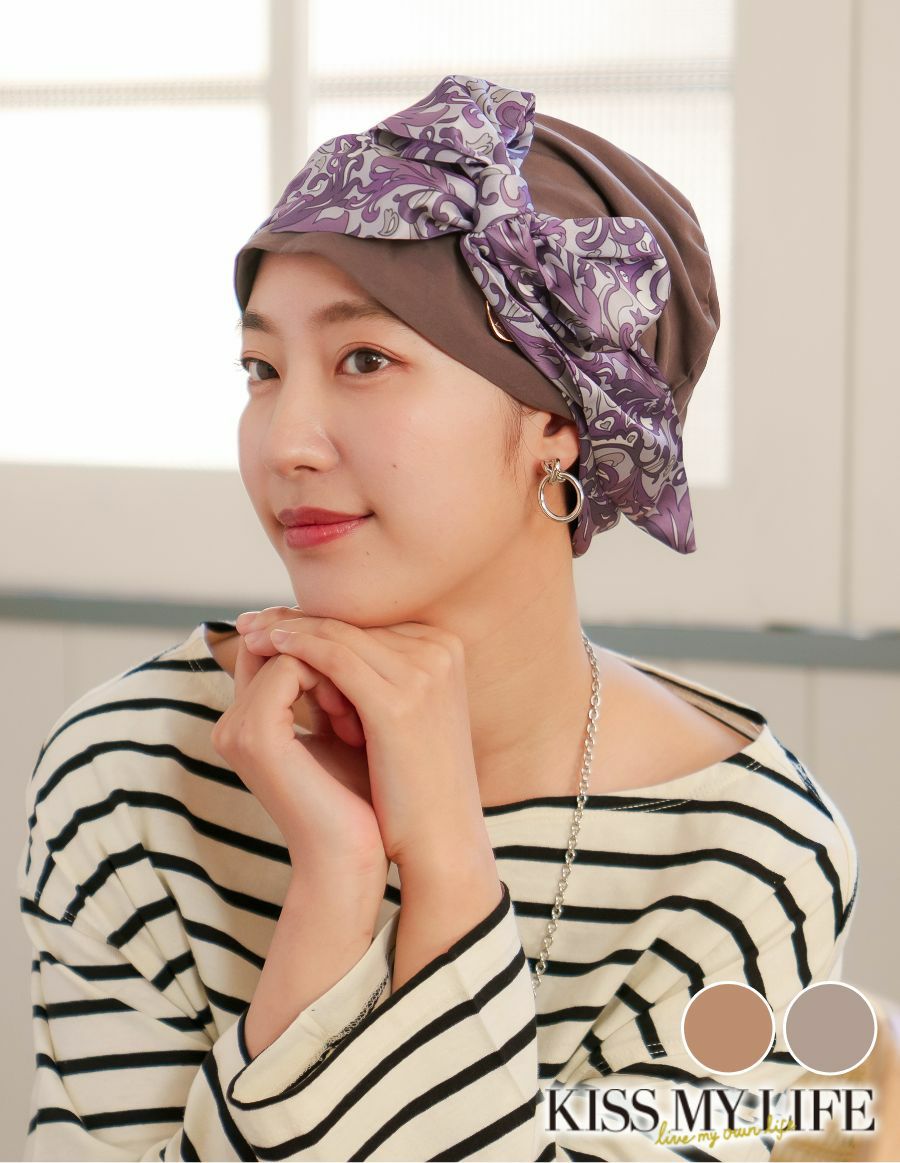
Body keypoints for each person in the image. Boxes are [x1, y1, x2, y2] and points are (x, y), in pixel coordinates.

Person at [17, 74, 858, 1161]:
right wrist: (334, 881)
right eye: (261, 368)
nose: (286, 442)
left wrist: (449, 868)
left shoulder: (748, 850)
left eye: (366, 359)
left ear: (561, 420)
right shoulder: (135, 768)